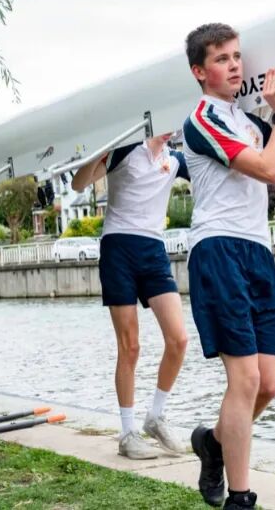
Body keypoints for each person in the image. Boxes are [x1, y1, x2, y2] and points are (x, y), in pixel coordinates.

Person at [181, 23, 275, 509]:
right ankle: (240, 499)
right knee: (244, 381)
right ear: (200, 71)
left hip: (258, 253)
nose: (235, 64)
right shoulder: (201, 120)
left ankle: (215, 443)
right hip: (218, 250)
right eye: (222, 58)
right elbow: (269, 169)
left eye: (237, 55)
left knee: (269, 385)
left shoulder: (249, 121)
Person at [72, 134, 191, 460]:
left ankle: (155, 416)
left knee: (179, 339)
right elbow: (78, 185)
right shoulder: (125, 148)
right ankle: (127, 433)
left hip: (153, 251)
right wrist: (98, 153)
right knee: (130, 345)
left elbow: (216, 170)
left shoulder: (176, 159)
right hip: (118, 248)